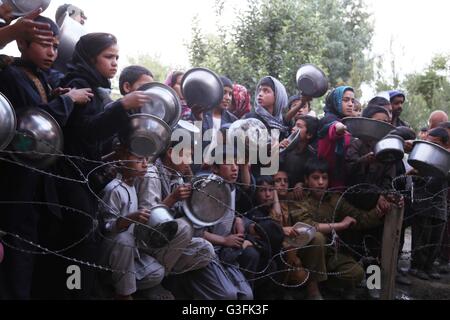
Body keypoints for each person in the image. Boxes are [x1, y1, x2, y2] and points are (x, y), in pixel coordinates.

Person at [50, 32, 152, 299]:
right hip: (70, 177)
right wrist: (121, 106)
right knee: (78, 240)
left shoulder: (96, 87)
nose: (114, 63)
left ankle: (82, 291)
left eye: (117, 57)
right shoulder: (78, 84)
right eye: (108, 56)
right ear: (89, 57)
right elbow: (87, 132)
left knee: (86, 240)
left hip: (85, 175)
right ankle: (74, 293)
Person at [0, 16, 93, 300]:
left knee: (34, 255)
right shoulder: (10, 75)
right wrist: (68, 99)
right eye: (44, 45)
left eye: (55, 46)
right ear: (21, 43)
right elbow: (32, 125)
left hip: (37, 181)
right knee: (18, 257)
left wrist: (55, 95)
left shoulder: (38, 76)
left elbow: (39, 105)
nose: (52, 53)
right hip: (16, 181)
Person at [289, 159, 395, 299]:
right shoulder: (299, 197)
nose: (321, 182)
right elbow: (308, 227)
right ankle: (312, 289)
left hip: (329, 253)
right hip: (304, 252)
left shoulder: (334, 199)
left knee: (356, 274)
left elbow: (359, 218)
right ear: (306, 180)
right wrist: (341, 225)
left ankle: (325, 283)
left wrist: (378, 211)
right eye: (315, 178)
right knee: (317, 238)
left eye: (324, 178)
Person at [100, 144, 175, 300]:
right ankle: (123, 294)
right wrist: (129, 219)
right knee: (125, 239)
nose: (145, 163)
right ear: (122, 160)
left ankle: (115, 284)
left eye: (146, 159)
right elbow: (107, 228)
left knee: (157, 272)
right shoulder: (113, 189)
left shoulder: (132, 186)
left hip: (129, 254)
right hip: (111, 252)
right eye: (139, 159)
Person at [272, 170, 327, 300]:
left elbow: (307, 190)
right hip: (280, 249)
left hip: (297, 245)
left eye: (285, 181)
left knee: (318, 237)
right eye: (278, 181)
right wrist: (274, 192)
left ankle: (313, 290)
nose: (283, 184)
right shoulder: (267, 197)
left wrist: (301, 184)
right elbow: (276, 221)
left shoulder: (293, 196)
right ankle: (284, 290)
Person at [410, 128, 449, 281]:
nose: (431, 146)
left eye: (436, 143)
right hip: (422, 205)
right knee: (421, 237)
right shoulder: (422, 156)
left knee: (435, 238)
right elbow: (415, 178)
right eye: (429, 142)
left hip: (439, 205)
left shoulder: (447, 159)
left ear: (446, 145)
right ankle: (416, 266)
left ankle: (428, 266)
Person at [317, 86, 355, 189]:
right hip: (323, 180)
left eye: (352, 101)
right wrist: (340, 127)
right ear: (335, 101)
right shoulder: (327, 120)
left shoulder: (347, 121)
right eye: (346, 100)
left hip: (342, 179)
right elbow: (334, 128)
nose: (351, 104)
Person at [279, 115, 319, 199]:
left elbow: (312, 177)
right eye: (294, 125)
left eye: (298, 126)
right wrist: (277, 148)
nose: (293, 128)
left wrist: (303, 184)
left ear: (309, 135)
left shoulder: (312, 156)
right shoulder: (285, 149)